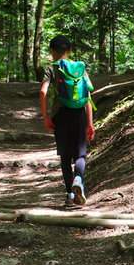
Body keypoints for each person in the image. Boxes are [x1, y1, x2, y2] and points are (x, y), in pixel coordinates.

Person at [39, 35, 95, 207]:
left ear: (52, 51)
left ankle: (70, 195)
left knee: (65, 157)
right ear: (69, 51)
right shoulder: (79, 68)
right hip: (79, 115)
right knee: (80, 154)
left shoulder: (51, 69)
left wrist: (46, 116)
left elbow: (43, 92)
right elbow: (88, 97)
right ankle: (78, 178)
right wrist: (90, 124)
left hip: (60, 115)